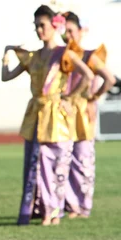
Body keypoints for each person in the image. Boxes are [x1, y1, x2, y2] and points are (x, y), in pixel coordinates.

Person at [1, 5, 94, 226]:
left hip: (56, 116)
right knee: (34, 163)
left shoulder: (64, 53)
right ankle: (38, 210)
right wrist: (6, 54)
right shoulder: (32, 57)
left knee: (55, 163)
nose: (39, 30)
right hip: (36, 114)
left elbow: (87, 75)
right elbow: (6, 76)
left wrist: (69, 97)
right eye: (36, 26)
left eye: (42, 25)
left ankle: (53, 211)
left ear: (54, 25)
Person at [62, 11, 115, 219]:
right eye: (64, 31)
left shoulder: (88, 56)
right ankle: (69, 205)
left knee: (82, 159)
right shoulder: (61, 56)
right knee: (63, 159)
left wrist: (94, 97)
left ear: (80, 31)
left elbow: (109, 79)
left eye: (71, 30)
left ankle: (82, 206)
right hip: (63, 112)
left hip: (82, 112)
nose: (68, 36)